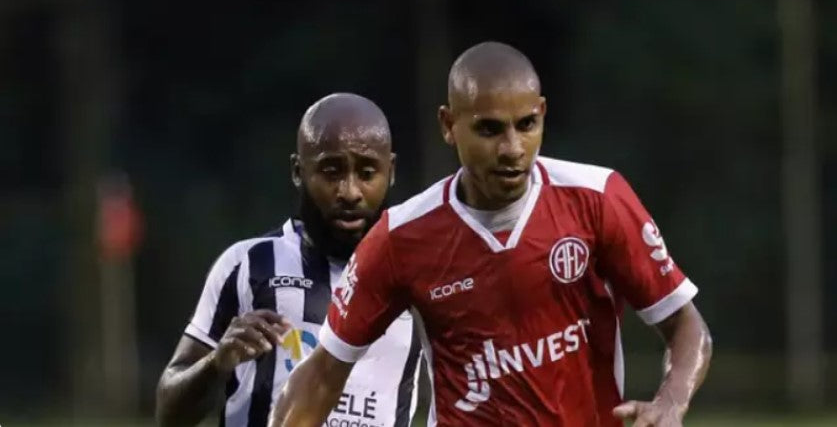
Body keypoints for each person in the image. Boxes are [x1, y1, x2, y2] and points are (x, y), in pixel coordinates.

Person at [271, 42, 713, 427]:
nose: (512, 148)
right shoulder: (399, 239)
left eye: (526, 124)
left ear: (542, 113)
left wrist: (671, 403)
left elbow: (686, 324)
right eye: (489, 129)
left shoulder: (597, 198)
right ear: (448, 125)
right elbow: (324, 372)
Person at [156, 93, 421, 427]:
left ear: (391, 171)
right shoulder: (247, 265)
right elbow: (168, 412)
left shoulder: (418, 278)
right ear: (298, 171)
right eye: (331, 172)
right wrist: (216, 363)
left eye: (367, 173)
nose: (350, 191)